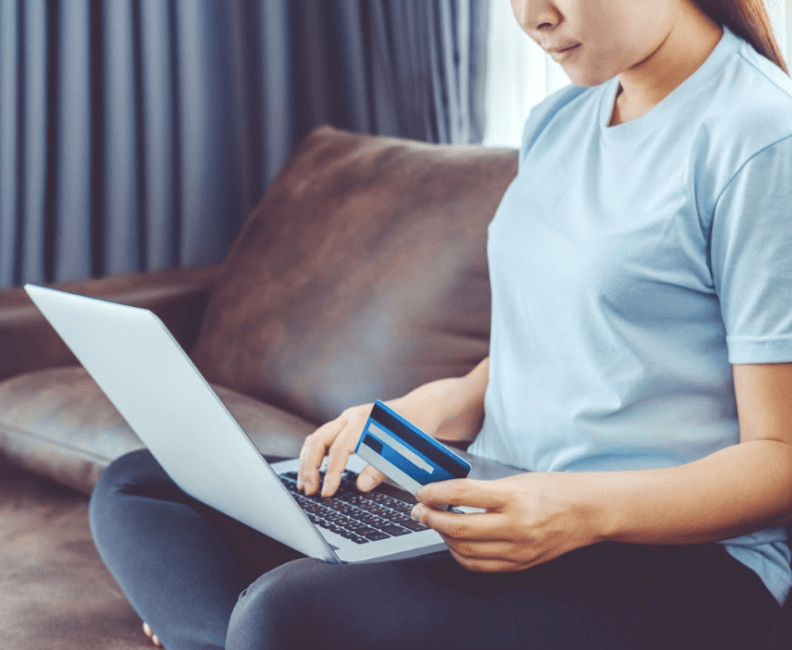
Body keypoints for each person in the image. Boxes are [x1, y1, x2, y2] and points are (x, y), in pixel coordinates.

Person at [89, 0, 792, 648]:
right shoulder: (561, 119)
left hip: (671, 559)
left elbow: (779, 457)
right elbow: (574, 336)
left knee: (285, 614)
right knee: (143, 484)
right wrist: (432, 408)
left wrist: (579, 510)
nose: (532, 17)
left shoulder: (760, 140)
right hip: (497, 496)